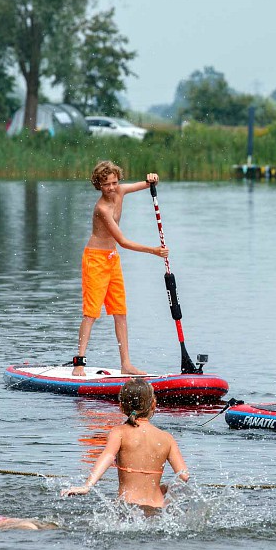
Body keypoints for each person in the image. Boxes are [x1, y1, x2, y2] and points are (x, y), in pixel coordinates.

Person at [72, 161, 169, 377]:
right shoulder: (102, 209)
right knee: (91, 314)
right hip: (95, 260)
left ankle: (126, 364)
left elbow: (145, 184)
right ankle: (79, 362)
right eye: (106, 184)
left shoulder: (121, 191)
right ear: (98, 185)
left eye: (115, 182)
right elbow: (123, 241)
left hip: (112, 259)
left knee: (120, 312)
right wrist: (153, 250)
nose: (112, 188)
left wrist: (152, 178)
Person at [61, 378, 189, 511]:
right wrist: (162, 488)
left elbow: (108, 456)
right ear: (153, 404)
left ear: (121, 406)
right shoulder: (167, 438)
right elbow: (184, 476)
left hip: (128, 508)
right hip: (158, 508)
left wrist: (87, 486)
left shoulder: (119, 432)